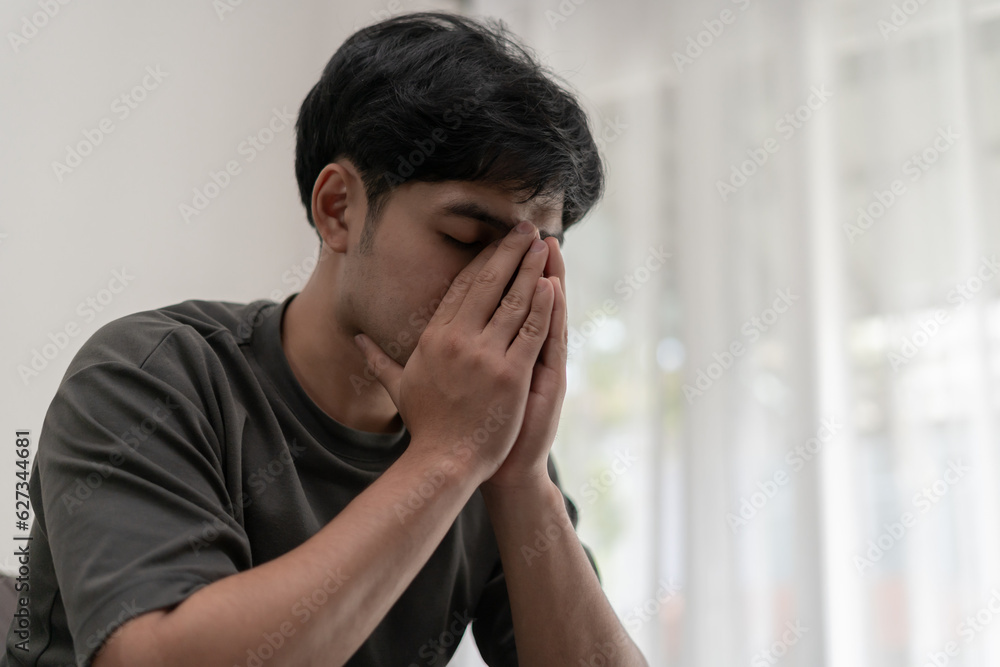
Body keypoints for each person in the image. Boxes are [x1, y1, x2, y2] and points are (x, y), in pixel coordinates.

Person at [2, 11, 647, 667]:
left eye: (539, 256)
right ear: (338, 208)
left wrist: (522, 480)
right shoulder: (149, 375)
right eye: (466, 238)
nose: (505, 286)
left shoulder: (487, 432)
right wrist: (447, 457)